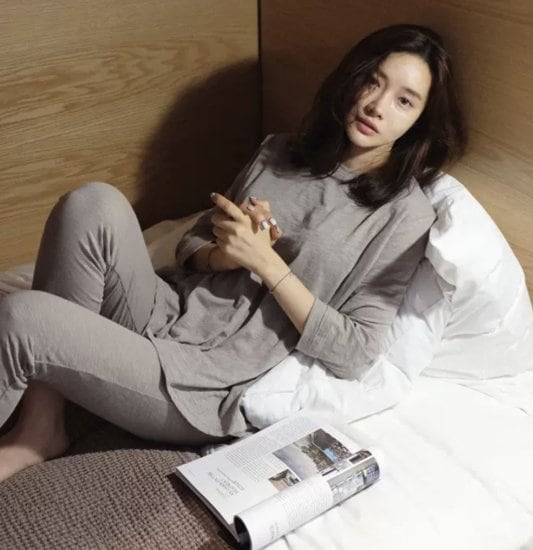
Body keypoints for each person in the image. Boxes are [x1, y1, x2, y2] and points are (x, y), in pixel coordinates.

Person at [0, 24, 466, 482]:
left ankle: (39, 426)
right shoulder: (279, 152)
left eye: (404, 101)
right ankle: (42, 426)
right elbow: (193, 241)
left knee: (25, 318)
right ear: (352, 77)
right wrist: (226, 254)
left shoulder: (404, 216)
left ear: (420, 121)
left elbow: (356, 352)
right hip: (166, 308)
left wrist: (267, 263)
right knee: (91, 201)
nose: (376, 106)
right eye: (373, 81)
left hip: (206, 380)